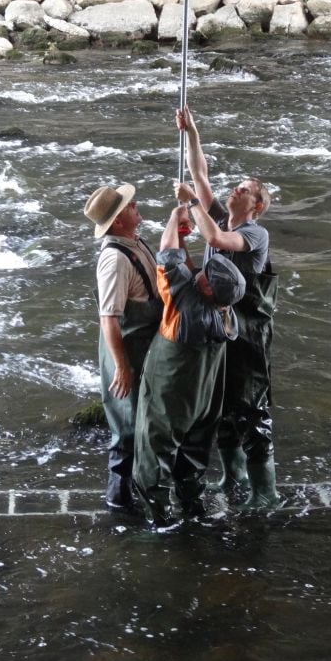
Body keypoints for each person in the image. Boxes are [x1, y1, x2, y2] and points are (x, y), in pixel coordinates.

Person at [174, 105, 279, 508]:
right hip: (218, 325)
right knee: (219, 406)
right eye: (237, 185)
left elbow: (216, 240)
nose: (236, 189)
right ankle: (232, 477)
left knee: (250, 405)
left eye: (246, 190)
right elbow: (199, 176)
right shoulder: (221, 217)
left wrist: (192, 205)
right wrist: (193, 131)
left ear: (256, 205)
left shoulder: (254, 233)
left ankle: (264, 492)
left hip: (249, 333)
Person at [133, 204, 245, 530]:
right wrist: (184, 236)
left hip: (172, 387)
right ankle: (193, 507)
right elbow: (188, 272)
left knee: (154, 451)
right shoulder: (226, 312)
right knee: (194, 451)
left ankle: (160, 520)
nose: (201, 272)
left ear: (207, 288)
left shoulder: (185, 308)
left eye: (207, 275)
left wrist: (174, 217)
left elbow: (167, 257)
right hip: (205, 396)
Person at [84, 183, 162, 511]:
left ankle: (139, 489)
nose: (136, 207)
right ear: (117, 221)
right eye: (130, 206)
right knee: (126, 426)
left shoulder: (134, 240)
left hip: (144, 343)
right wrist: (122, 367)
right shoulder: (114, 259)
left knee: (143, 420)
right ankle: (119, 503)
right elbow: (109, 319)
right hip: (126, 347)